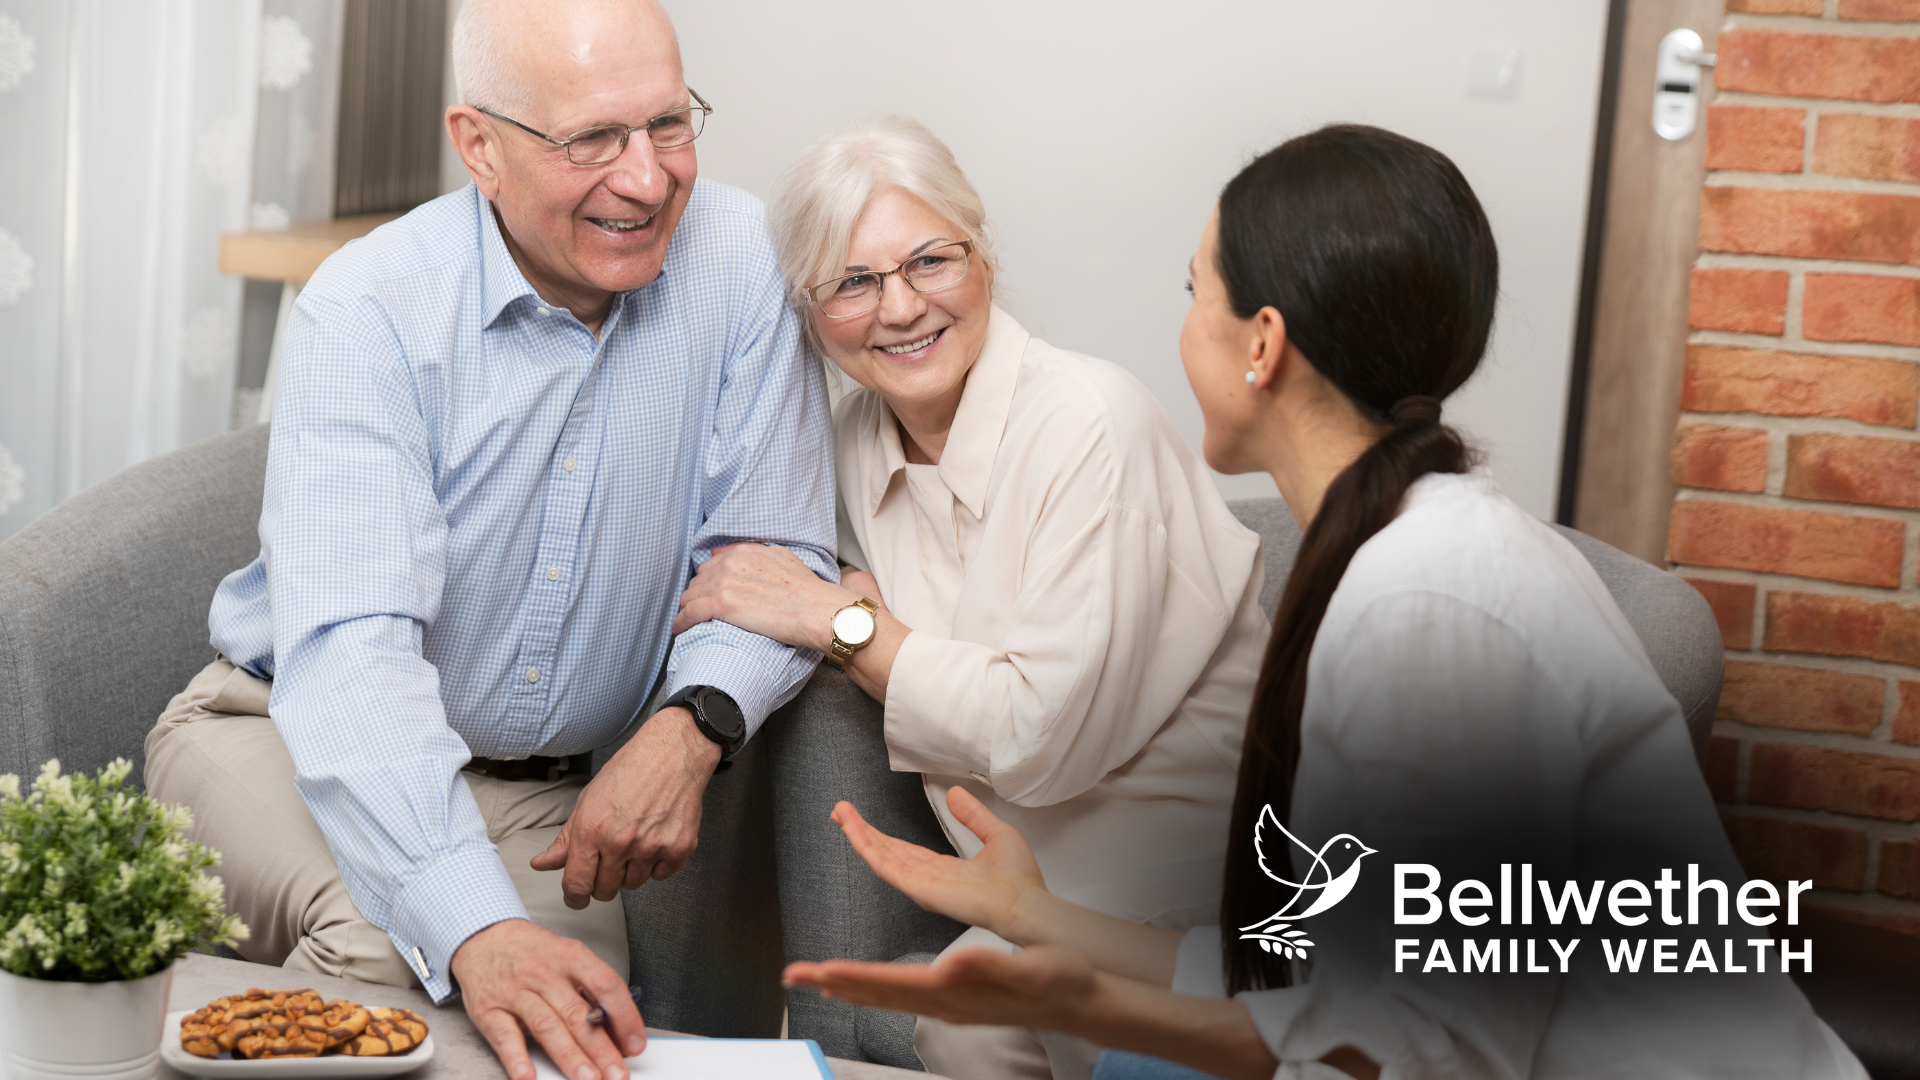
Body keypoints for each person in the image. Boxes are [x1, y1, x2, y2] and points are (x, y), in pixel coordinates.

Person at [783, 124, 1866, 1079]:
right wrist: (1043, 922)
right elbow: (1330, 981)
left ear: (1261, 346)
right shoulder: (1404, 556)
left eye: (1192, 293)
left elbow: (1416, 1056)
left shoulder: (1430, 610)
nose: (1177, 334)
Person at [141, 3, 836, 1080]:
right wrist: (475, 929)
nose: (648, 179)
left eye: (668, 125)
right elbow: (353, 665)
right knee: (398, 963)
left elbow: (774, 555)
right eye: (592, 140)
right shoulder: (367, 309)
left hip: (540, 798)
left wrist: (692, 724)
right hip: (276, 732)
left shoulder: (744, 261)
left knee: (582, 1036)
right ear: (480, 147)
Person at [671, 116, 1269, 1078]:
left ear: (983, 255)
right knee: (965, 1018)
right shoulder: (853, 438)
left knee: (1010, 1014)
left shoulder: (1089, 421)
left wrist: (845, 623)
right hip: (1024, 889)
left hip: (1197, 886)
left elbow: (1039, 737)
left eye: (930, 262)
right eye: (853, 283)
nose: (899, 307)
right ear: (810, 312)